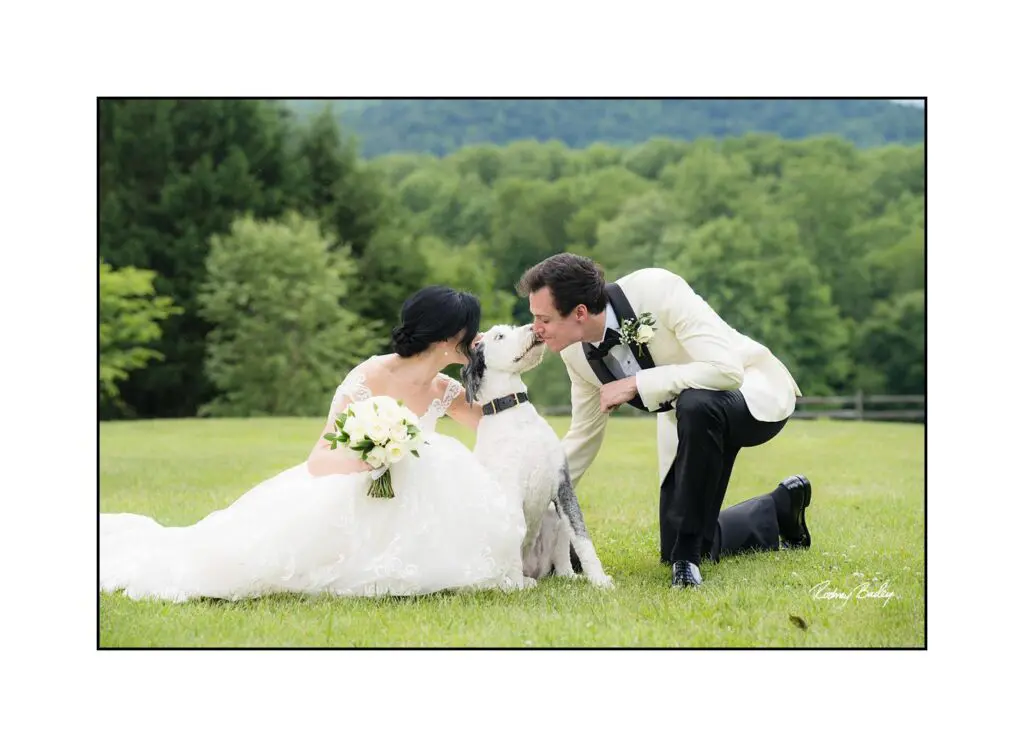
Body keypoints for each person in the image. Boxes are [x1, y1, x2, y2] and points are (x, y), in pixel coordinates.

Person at [100, 286, 530, 602]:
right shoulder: (369, 379)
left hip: (417, 498)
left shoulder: (445, 389)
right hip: (352, 492)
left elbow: (498, 431)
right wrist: (373, 455)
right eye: (470, 332)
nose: (474, 341)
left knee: (443, 467)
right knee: (246, 559)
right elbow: (320, 460)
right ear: (446, 336)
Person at [517, 253, 812, 589]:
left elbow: (726, 370)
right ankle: (778, 509)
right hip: (686, 423)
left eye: (544, 319)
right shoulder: (575, 353)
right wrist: (532, 504)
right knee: (676, 545)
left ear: (580, 312)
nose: (536, 331)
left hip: (750, 392)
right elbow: (583, 437)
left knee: (697, 404)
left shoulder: (658, 289)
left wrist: (637, 383)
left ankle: (688, 560)